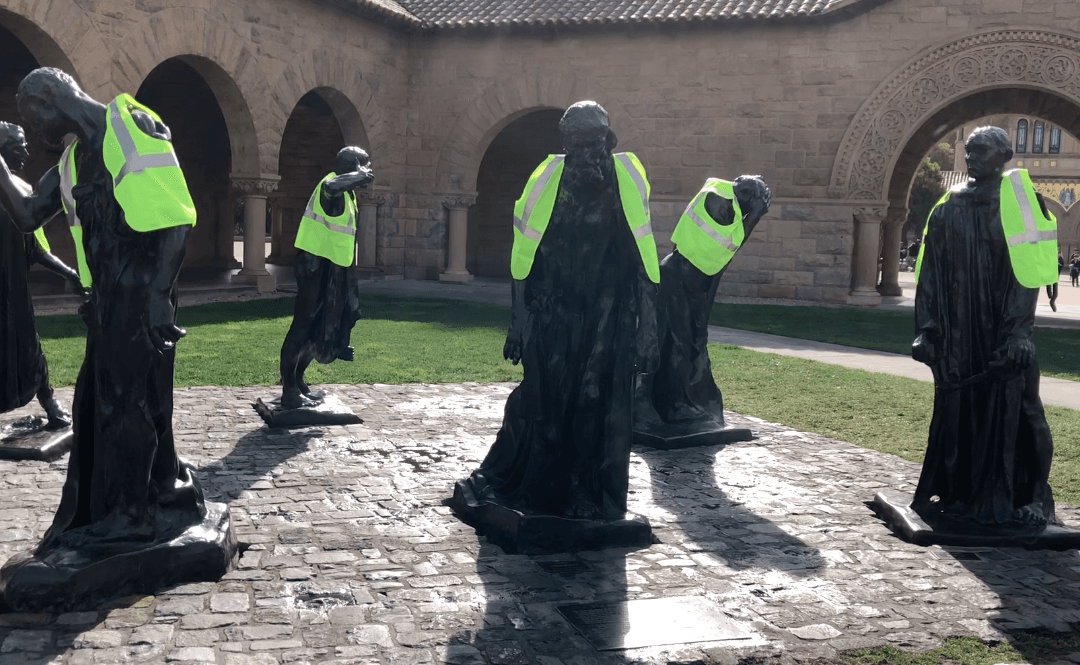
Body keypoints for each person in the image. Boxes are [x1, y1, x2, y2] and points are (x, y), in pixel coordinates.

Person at [0, 68, 209, 556]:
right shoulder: (74, 160)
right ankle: (158, 489)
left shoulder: (129, 124)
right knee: (122, 401)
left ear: (50, 99)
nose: (35, 132)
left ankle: (131, 517)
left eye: (34, 118)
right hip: (110, 300)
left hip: (140, 293)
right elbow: (30, 213)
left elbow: (177, 217)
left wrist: (159, 294)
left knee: (122, 403)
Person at [451, 101, 659, 525]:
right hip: (553, 313)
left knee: (596, 403)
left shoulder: (626, 178)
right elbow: (523, 255)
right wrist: (517, 323)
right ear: (565, 142)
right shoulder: (546, 179)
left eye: (596, 140)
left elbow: (643, 256)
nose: (588, 150)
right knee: (545, 402)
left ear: (608, 138)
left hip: (608, 315)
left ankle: (588, 496)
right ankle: (541, 488)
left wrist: (648, 327)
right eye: (579, 142)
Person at [912, 126, 1058, 529]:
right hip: (959, 332)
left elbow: (1029, 273)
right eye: (969, 150)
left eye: (981, 150)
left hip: (1004, 331)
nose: (971, 156)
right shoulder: (947, 207)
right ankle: (960, 492)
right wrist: (927, 327)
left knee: (1024, 411)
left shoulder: (1022, 204)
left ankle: (1031, 496)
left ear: (1004, 155)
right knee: (960, 411)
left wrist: (1019, 331)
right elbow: (931, 274)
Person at [634, 175, 770, 436]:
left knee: (688, 344)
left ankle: (680, 403)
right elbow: (725, 248)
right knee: (673, 344)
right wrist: (754, 218)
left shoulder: (723, 195)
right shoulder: (719, 201)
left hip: (692, 283)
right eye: (754, 200)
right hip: (677, 279)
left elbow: (719, 259)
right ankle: (664, 405)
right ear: (748, 195)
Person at [0, 121, 82, 429]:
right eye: (18, 146)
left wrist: (69, 273)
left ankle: (48, 399)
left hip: (16, 292)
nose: (25, 151)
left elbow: (37, 248)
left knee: (30, 345)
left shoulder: (21, 192)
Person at [279, 146, 373, 410]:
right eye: (365, 164)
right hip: (314, 264)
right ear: (354, 164)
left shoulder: (349, 193)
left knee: (323, 322)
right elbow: (332, 186)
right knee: (303, 324)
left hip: (335, 265)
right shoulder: (330, 185)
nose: (370, 170)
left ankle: (298, 378)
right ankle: (288, 388)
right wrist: (358, 174)